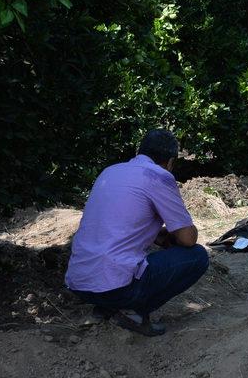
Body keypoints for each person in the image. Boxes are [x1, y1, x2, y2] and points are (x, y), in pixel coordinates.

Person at [65, 129, 209, 336]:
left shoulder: (110, 172)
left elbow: (119, 222)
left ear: (140, 152)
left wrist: (157, 235)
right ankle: (134, 311)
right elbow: (188, 238)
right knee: (197, 256)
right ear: (170, 162)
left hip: (80, 282)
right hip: (115, 287)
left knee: (133, 261)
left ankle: (106, 308)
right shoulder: (159, 176)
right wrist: (173, 235)